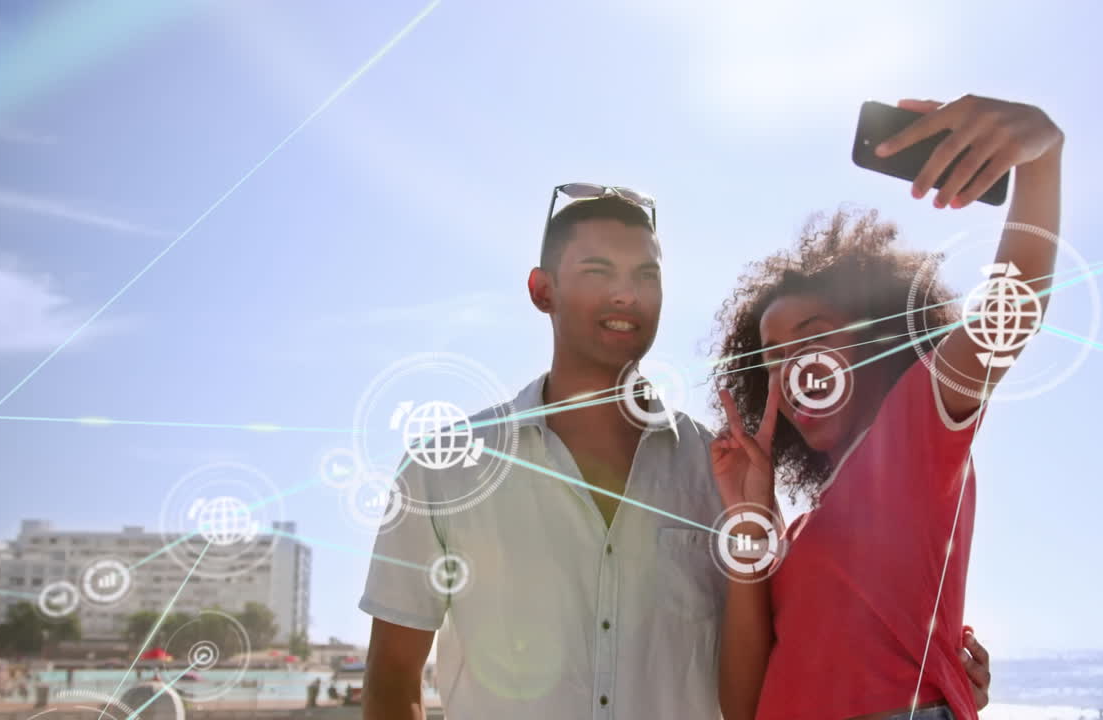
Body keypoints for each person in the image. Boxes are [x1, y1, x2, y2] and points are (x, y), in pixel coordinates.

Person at [360, 186, 995, 719]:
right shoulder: (441, 467)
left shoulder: (722, 472)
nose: (625, 295)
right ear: (542, 290)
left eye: (645, 275)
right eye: (597, 272)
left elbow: (790, 656)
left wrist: (932, 666)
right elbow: (393, 676)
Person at [711, 94, 1063, 720]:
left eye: (816, 335)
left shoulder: (910, 433)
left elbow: (1009, 311)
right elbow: (744, 706)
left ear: (878, 341)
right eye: (772, 355)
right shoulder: (797, 531)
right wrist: (752, 511)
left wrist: (1041, 155)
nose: (795, 366)